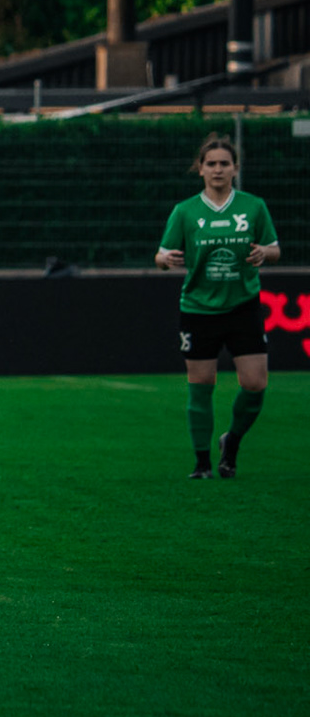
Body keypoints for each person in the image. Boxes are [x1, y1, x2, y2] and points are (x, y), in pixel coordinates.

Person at [155, 133, 281, 478]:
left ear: (235, 168)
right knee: (201, 385)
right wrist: (166, 260)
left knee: (255, 384)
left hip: (243, 307)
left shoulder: (253, 206)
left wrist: (264, 252)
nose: (218, 169)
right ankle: (202, 464)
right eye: (211, 163)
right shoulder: (185, 211)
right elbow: (160, 255)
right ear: (200, 169)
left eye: (225, 163)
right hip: (198, 309)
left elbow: (274, 249)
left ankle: (232, 442)